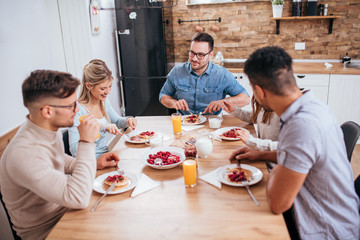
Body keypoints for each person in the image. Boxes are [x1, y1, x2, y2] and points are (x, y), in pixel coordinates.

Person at [230, 46, 360, 239]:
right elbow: (304, 155)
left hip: (326, 230)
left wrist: (275, 168)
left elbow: (277, 203)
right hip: (331, 214)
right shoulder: (313, 106)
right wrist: (261, 154)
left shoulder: (301, 127)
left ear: (259, 91)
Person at [0, 70, 101, 240]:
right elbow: (78, 198)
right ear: (47, 112)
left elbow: (59, 159)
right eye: (72, 106)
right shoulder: (24, 153)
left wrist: (95, 162)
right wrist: (86, 143)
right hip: (48, 232)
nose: (77, 110)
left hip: (66, 212)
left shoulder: (45, 129)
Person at [159, 32, 250, 115]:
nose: (194, 58)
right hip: (184, 123)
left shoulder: (222, 74)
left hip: (212, 124)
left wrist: (222, 102)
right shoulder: (177, 72)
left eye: (200, 55)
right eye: (192, 53)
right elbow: (163, 96)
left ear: (210, 55)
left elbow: (245, 98)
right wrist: (174, 103)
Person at [68, 59, 137, 164]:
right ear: (88, 86)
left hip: (106, 156)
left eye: (110, 86)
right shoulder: (78, 110)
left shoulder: (103, 101)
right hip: (90, 164)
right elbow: (74, 151)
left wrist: (128, 120)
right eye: (103, 88)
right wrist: (103, 127)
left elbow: (117, 122)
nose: (108, 91)